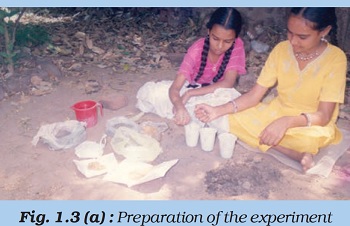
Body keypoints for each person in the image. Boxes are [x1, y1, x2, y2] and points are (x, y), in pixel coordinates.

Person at [195, 7, 347, 172]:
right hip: (276, 112)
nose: (293, 41)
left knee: (307, 141)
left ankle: (287, 146)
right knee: (229, 117)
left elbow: (324, 116)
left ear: (324, 31)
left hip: (310, 123)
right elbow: (254, 95)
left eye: (302, 37)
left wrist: (286, 122)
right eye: (289, 33)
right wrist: (218, 110)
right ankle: (293, 153)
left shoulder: (335, 59)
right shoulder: (281, 50)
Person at [136, 7, 246, 126]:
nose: (219, 46)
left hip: (214, 93)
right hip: (190, 88)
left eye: (227, 41)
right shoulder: (197, 49)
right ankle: (195, 116)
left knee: (233, 100)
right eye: (215, 39)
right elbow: (175, 88)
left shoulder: (237, 46)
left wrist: (191, 94)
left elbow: (228, 83)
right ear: (208, 32)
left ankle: (199, 116)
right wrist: (179, 106)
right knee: (151, 93)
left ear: (235, 39)